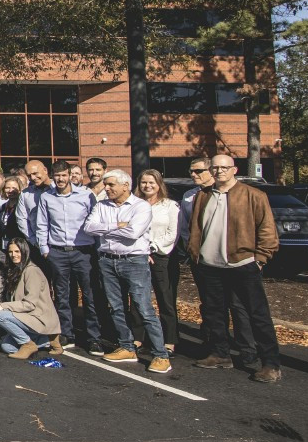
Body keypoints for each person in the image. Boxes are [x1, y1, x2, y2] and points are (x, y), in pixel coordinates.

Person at [188, 154, 282, 381]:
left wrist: (260, 258)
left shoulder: (254, 195)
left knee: (257, 315)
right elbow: (196, 228)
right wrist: (195, 255)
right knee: (214, 313)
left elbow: (267, 231)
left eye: (224, 167)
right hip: (209, 265)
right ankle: (220, 354)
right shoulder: (203, 196)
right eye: (215, 168)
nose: (219, 171)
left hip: (243, 264)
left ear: (234, 170)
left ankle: (270, 364)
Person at [83, 169, 171, 372]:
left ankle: (161, 355)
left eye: (111, 184)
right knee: (116, 306)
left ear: (125, 186)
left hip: (134, 261)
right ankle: (126, 346)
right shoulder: (102, 205)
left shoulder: (141, 207)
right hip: (107, 260)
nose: (106, 188)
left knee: (143, 308)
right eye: (106, 184)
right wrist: (117, 224)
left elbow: (133, 232)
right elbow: (88, 228)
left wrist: (105, 227)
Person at [35, 162, 101, 352]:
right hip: (58, 252)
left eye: (64, 175)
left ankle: (94, 337)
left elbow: (95, 222)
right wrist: (44, 249)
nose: (61, 179)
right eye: (57, 176)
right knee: (62, 296)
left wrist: (96, 249)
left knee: (90, 296)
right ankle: (66, 333)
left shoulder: (86, 195)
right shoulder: (47, 197)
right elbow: (42, 224)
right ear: (53, 176)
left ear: (70, 175)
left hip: (83, 251)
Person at [0, 239, 61, 359]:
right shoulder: (14, 270)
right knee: (6, 346)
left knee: (1, 316)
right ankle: (45, 339)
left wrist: (3, 306)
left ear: (25, 251)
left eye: (17, 251)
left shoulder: (32, 271)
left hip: (37, 317)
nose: (13, 255)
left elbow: (30, 304)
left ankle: (28, 344)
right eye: (10, 252)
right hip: (22, 316)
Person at [138, 169, 180, 356]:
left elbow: (173, 233)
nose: (147, 186)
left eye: (151, 182)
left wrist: (153, 248)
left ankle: (169, 341)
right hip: (138, 256)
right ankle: (138, 338)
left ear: (159, 184)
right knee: (138, 299)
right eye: (144, 182)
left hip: (162, 257)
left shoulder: (170, 206)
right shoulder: (135, 205)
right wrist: (142, 250)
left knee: (165, 299)